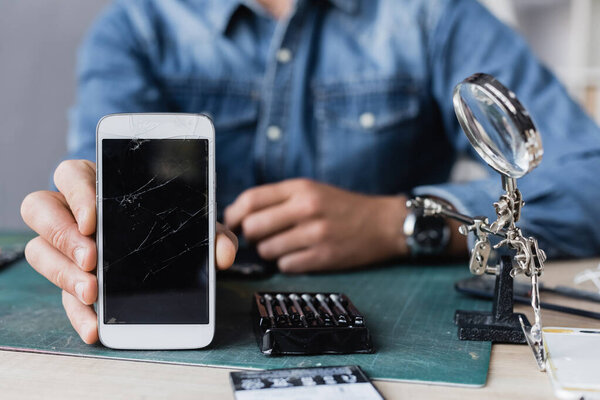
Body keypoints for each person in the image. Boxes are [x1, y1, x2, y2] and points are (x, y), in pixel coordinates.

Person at [20, 0, 600, 345]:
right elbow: (95, 192)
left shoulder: (433, 15)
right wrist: (82, 234)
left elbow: (588, 176)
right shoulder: (136, 27)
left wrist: (400, 224)